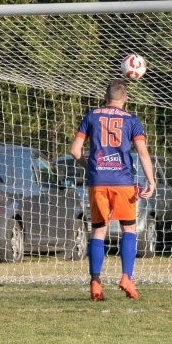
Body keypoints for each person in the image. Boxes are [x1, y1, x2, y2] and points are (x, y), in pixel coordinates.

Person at [69, 78, 156, 301]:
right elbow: (143, 153)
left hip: (98, 181)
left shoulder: (91, 116)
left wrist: (91, 167)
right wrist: (151, 181)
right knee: (129, 230)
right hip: (123, 182)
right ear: (125, 98)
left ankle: (96, 282)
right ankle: (126, 277)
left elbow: (75, 150)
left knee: (99, 231)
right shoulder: (132, 120)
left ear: (105, 98)